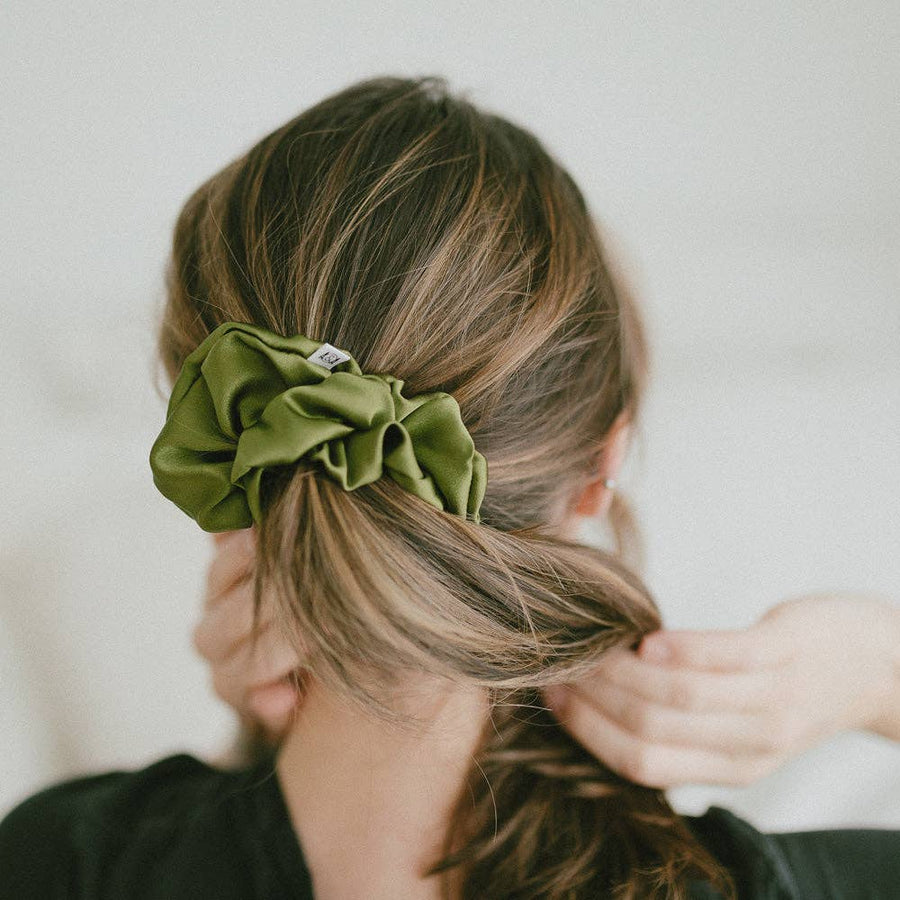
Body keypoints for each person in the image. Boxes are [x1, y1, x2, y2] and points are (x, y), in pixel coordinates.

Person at [1, 74, 898, 900]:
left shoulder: (64, 861)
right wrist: (872, 668)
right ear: (599, 468)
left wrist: (259, 744)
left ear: (224, 456)